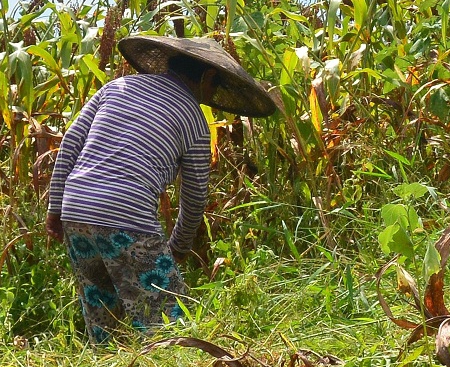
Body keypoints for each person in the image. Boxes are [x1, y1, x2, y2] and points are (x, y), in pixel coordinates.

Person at [46, 33, 280, 342]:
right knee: (167, 321)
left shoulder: (116, 87)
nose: (211, 94)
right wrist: (179, 247)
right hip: (126, 216)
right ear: (208, 77)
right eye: (215, 85)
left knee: (102, 311)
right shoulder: (194, 120)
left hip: (76, 209)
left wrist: (55, 209)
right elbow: (194, 198)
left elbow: (69, 145)